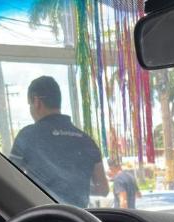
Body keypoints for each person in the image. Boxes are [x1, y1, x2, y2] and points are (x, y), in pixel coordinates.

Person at [9, 76, 108, 207]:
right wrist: (76, 187)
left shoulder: (27, 136)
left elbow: (10, 177)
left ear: (37, 101)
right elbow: (103, 189)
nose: (31, 109)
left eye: (29, 104)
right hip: (76, 217)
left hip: (42, 215)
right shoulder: (87, 140)